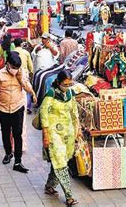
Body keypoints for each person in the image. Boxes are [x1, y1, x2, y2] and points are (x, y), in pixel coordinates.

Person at [0, 51, 37, 172]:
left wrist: (23, 82)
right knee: (5, 133)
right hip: (3, 108)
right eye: (13, 67)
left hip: (18, 107)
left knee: (17, 134)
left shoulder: (20, 73)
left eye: (17, 68)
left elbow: (27, 87)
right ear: (8, 64)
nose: (15, 70)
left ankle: (18, 162)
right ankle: (8, 153)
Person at [41, 70, 79, 206]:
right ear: (58, 82)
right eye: (65, 84)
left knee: (61, 161)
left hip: (68, 134)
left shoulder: (70, 93)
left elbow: (74, 112)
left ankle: (49, 186)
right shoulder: (50, 94)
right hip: (54, 134)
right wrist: (45, 135)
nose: (67, 86)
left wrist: (77, 130)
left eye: (70, 84)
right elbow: (43, 115)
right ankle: (69, 196)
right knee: (61, 163)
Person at [13, 38, 34, 114]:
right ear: (21, 44)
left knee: (16, 88)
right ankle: (27, 106)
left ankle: (17, 105)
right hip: (24, 72)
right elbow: (30, 65)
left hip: (14, 72)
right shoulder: (26, 52)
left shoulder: (12, 52)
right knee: (27, 89)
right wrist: (31, 72)